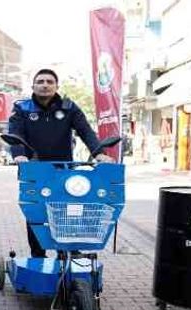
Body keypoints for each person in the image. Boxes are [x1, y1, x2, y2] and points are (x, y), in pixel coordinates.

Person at [8, 68, 114, 257]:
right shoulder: (22, 108)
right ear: (33, 86)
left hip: (64, 170)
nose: (45, 85)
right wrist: (19, 155)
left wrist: (99, 153)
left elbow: (86, 131)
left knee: (69, 210)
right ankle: (38, 255)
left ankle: (69, 252)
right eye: (40, 81)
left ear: (57, 86)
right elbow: (15, 134)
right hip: (33, 169)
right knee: (36, 212)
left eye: (50, 81)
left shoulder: (68, 107)